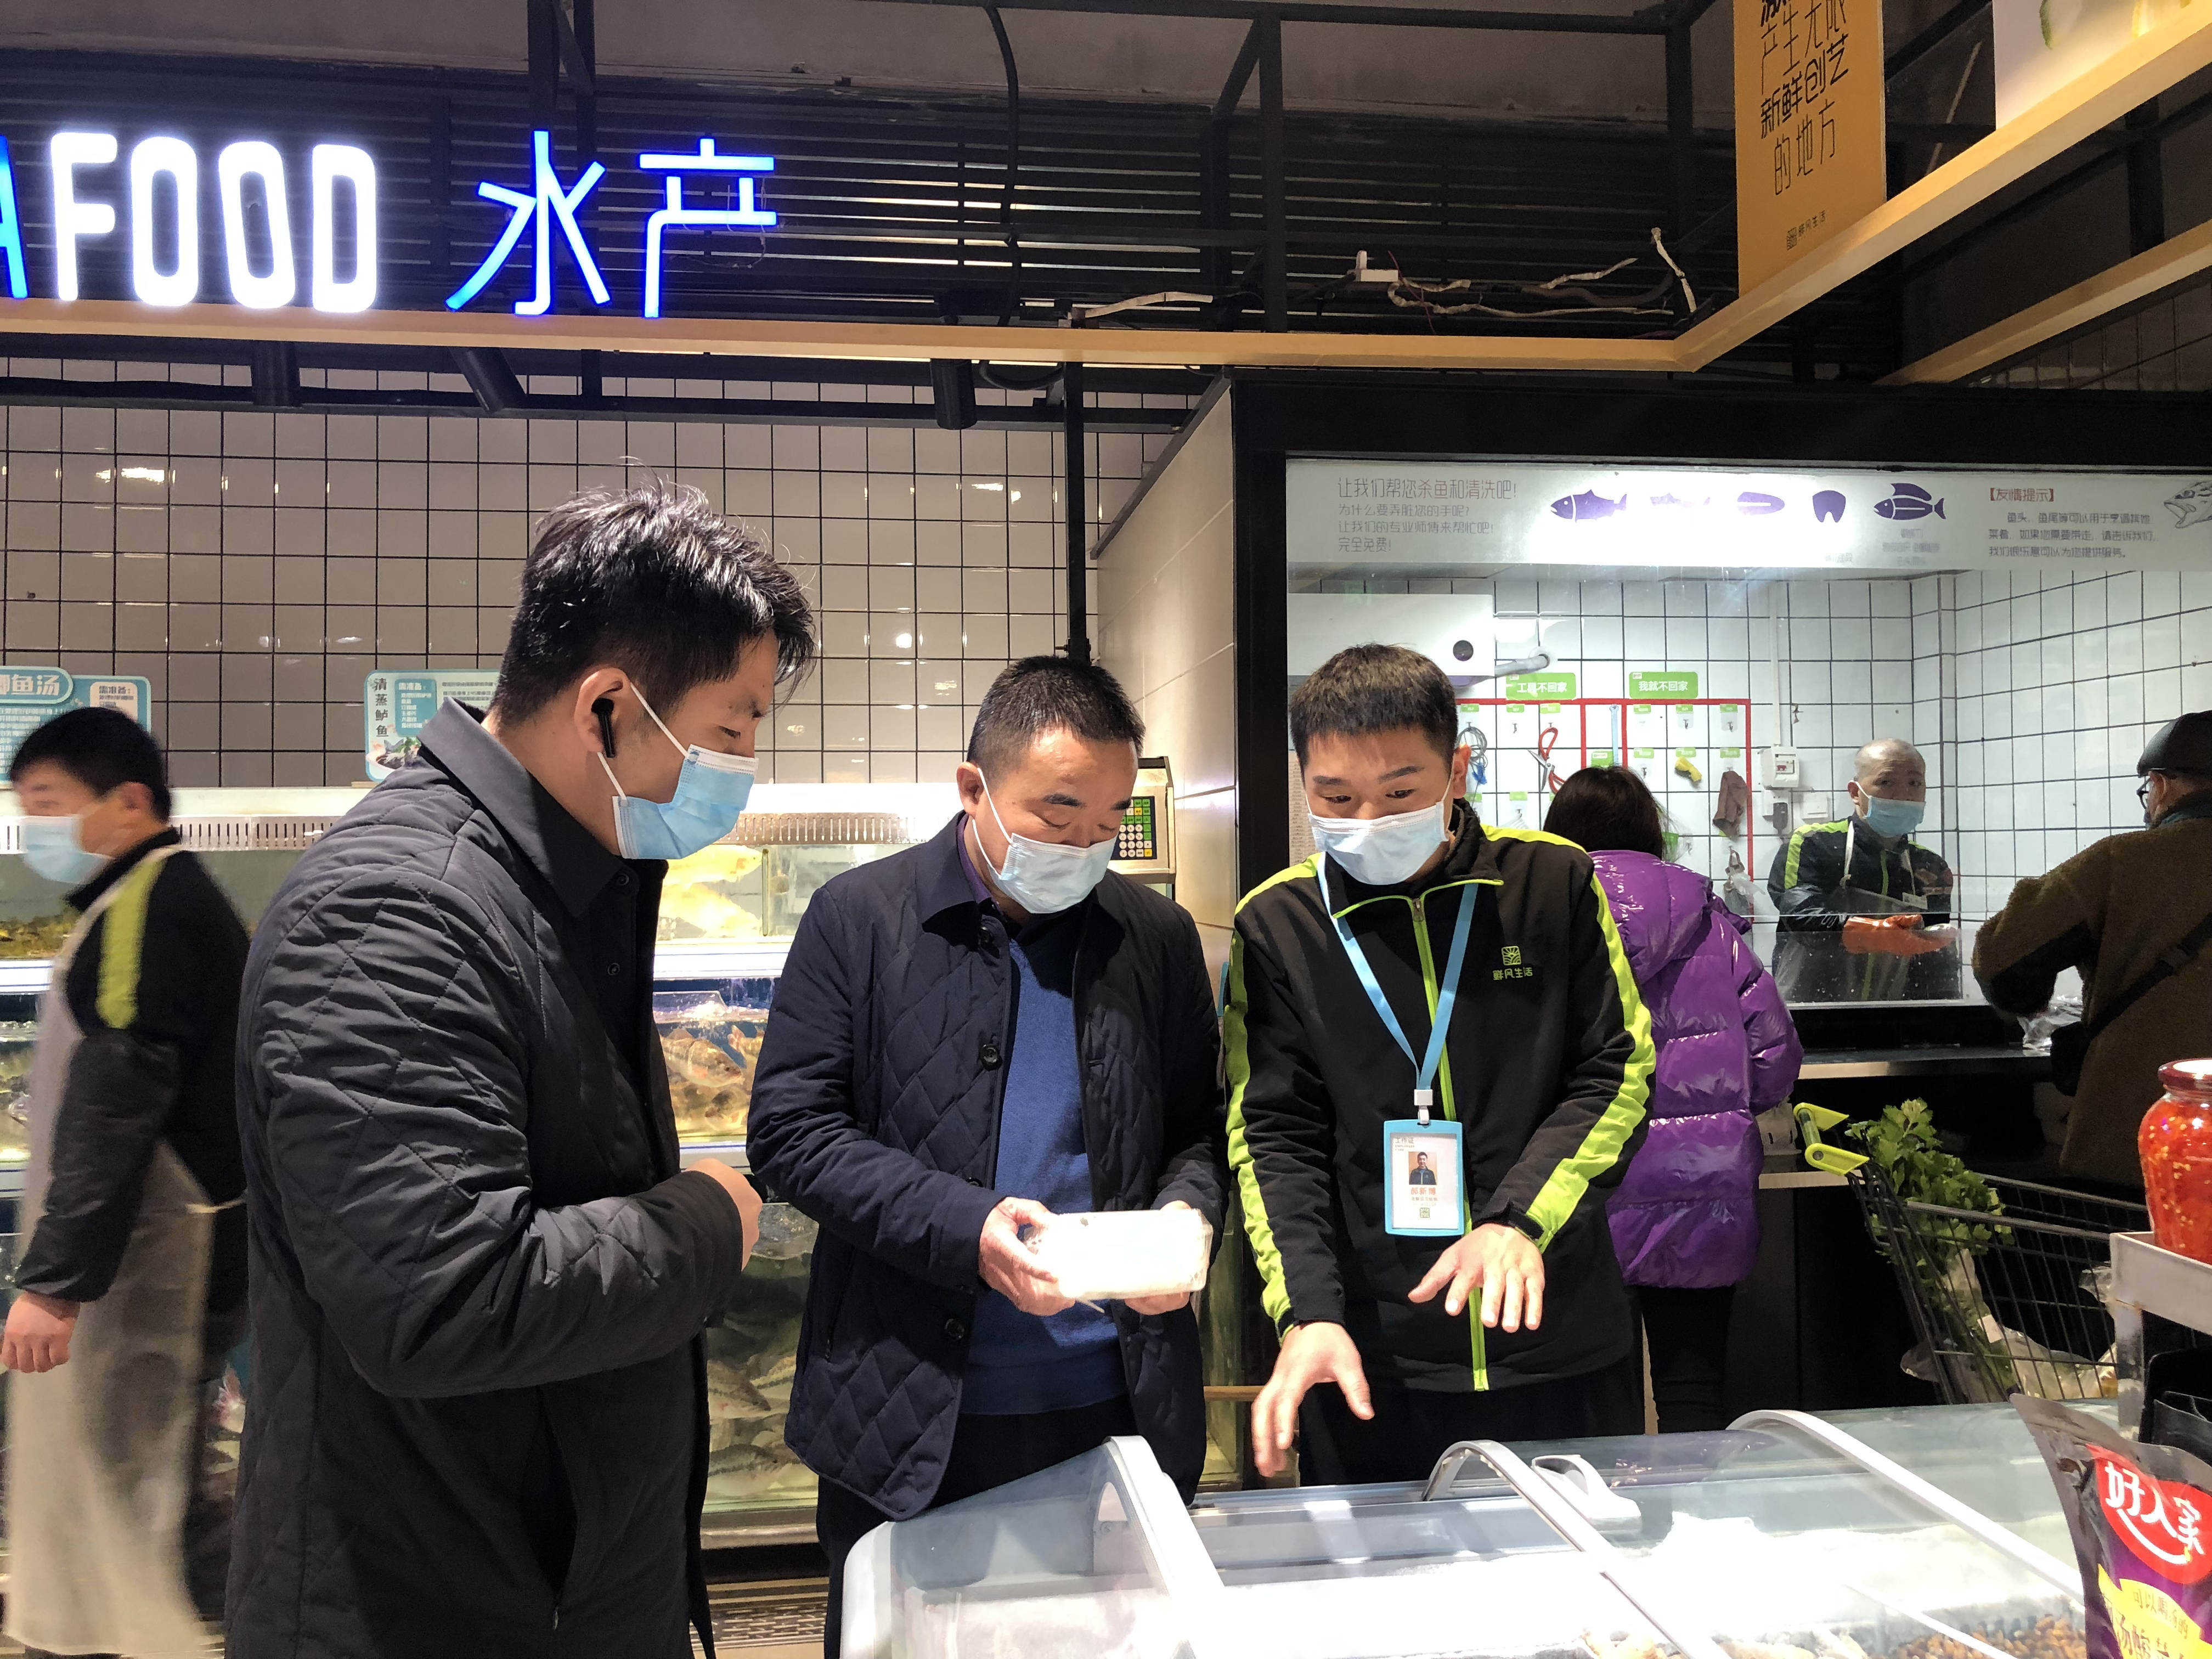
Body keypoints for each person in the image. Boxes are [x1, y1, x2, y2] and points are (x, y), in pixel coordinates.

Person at [228, 484, 799, 1658]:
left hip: (557, 1585)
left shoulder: (561, 881)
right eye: (734, 728)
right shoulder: (396, 910)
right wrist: (707, 1222)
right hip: (433, 1605)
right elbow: (440, 1298)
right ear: (607, 708)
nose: (745, 765)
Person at [749, 657, 1226, 1656]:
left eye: (1111, 818)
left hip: (1114, 1402)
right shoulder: (860, 919)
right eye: (1058, 812)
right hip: (910, 1403)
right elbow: (792, 1130)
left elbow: (1196, 1127)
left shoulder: (1154, 936)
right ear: (973, 787)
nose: (1086, 844)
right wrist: (966, 1227)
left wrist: (1188, 1219)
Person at [1227, 643, 1654, 1487]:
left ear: (1456, 770)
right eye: (1335, 797)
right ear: (1303, 778)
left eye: (1400, 793)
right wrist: (1307, 1314)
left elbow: (1618, 1068)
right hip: (1374, 1361)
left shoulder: (1550, 882)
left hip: (1558, 1338)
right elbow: (1274, 1136)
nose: (1369, 820)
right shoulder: (1279, 925)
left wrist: (1519, 1221)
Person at [1, 708, 250, 1658]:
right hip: (149, 1251)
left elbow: (117, 1099)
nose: (36, 827)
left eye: (50, 803)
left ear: (131, 802)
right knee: (149, 1473)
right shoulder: (139, 898)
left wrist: (54, 1284)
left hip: (161, 1260)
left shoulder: (147, 907)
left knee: (142, 1476)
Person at [1543, 765, 1802, 1434]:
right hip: (1702, 1185)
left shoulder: (1540, 923)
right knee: (1694, 1388)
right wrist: (1724, 1117)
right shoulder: (1714, 928)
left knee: (1598, 1393)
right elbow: (1775, 1056)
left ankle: (1607, 1499)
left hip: (1579, 1188)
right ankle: (1697, 1495)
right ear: (1651, 833)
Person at [1975, 711, 2212, 1189]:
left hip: (2145, 1137)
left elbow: (2004, 963)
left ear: (2161, 785)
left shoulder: (2122, 862)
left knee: (2140, 1238)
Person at [1767, 738, 1960, 1002]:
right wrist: (1878, 935)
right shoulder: (1814, 844)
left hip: (1895, 1014)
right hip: (1811, 1009)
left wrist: (1946, 1008)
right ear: (1855, 793)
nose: (1904, 794)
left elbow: (1936, 955)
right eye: (1886, 782)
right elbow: (1801, 916)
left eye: (1915, 783)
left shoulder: (1929, 866)